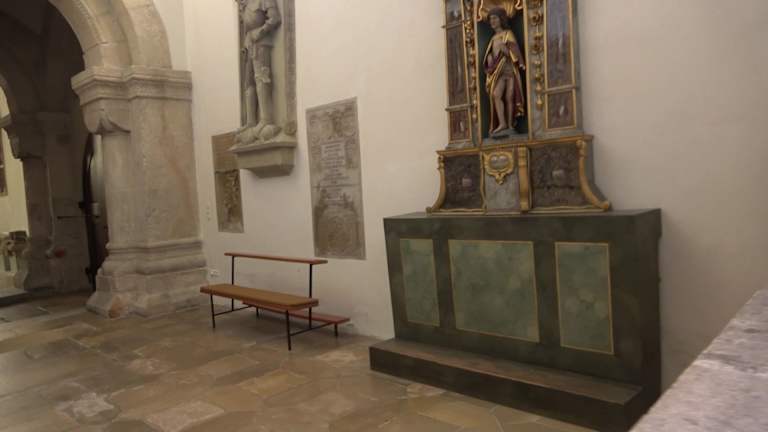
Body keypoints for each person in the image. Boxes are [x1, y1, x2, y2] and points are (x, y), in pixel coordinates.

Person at [483, 7, 526, 136]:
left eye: (495, 18)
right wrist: (489, 58)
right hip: (498, 72)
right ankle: (502, 123)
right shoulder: (493, 38)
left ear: (501, 19)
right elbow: (490, 55)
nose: (492, 21)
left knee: (509, 97)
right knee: (496, 95)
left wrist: (506, 50)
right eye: (490, 19)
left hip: (509, 71)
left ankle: (510, 124)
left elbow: (515, 53)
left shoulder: (508, 34)